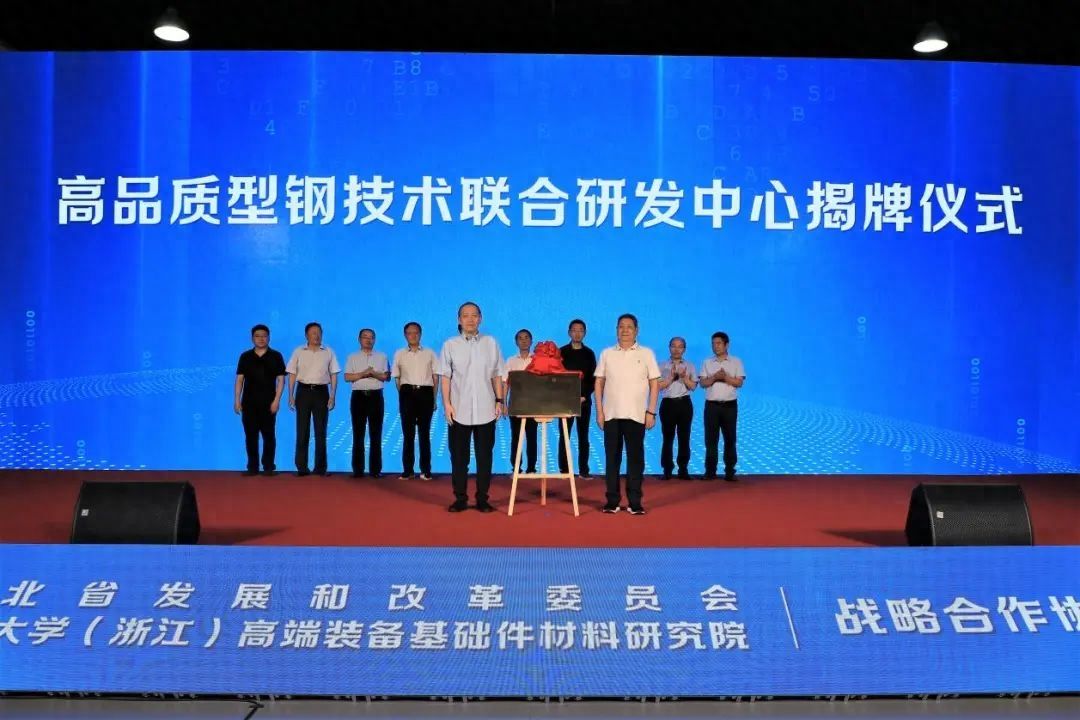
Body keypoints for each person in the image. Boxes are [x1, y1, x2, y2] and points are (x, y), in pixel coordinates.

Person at [439, 301, 504, 513]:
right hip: (459, 410)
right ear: (459, 320)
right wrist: (447, 404)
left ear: (480, 319)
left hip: (486, 409)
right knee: (459, 458)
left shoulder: (491, 343)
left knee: (485, 458)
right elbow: (445, 377)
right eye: (465, 315)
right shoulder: (450, 345)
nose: (470, 319)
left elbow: (497, 374)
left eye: (474, 315)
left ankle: (482, 498)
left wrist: (500, 401)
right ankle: (460, 498)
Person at [594, 313, 660, 515]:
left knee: (635, 460)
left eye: (629, 327)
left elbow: (654, 383)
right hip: (611, 415)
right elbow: (599, 382)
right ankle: (612, 501)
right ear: (616, 330)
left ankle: (635, 502)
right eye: (621, 326)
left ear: (636, 330)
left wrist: (651, 411)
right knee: (611, 460)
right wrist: (599, 412)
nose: (625, 330)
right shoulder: (607, 353)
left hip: (637, 415)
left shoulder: (646, 353)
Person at [286, 322, 340, 476]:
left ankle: (320, 468)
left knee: (320, 431)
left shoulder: (328, 351)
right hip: (303, 391)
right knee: (302, 430)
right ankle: (302, 467)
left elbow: (334, 374)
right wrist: (290, 395)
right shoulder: (298, 351)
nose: (317, 335)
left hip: (321, 392)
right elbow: (292, 374)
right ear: (306, 335)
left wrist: (332, 395)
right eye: (313, 332)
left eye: (319, 332)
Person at [233, 324, 286, 476]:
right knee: (251, 436)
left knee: (269, 435)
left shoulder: (276, 356)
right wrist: (237, 400)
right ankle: (252, 467)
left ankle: (268, 466)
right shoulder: (245, 356)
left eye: (264, 336)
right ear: (252, 338)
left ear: (269, 338)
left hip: (269, 402)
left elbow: (281, 380)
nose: (261, 339)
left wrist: (276, 400)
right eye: (257, 336)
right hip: (249, 402)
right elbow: (239, 380)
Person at [391, 321, 439, 481]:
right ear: (405, 335)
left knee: (424, 433)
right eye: (409, 333)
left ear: (420, 334)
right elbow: (397, 378)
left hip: (426, 393)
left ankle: (426, 470)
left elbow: (435, 378)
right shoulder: (399, 353)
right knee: (408, 434)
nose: (413, 335)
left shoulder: (430, 353)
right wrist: (404, 396)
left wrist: (434, 398)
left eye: (416, 332)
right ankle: (408, 470)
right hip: (407, 393)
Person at [700, 331, 746, 481]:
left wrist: (725, 377)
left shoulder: (736, 362)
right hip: (711, 406)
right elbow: (703, 383)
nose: (716, 346)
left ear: (727, 345)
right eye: (713, 344)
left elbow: (739, 382)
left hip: (729, 406)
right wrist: (714, 377)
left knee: (730, 439)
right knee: (710, 440)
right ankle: (710, 472)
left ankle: (730, 471)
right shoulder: (707, 362)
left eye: (719, 343)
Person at [344, 328, 389, 478]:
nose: (368, 340)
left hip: (376, 397)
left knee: (376, 434)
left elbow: (386, 377)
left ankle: (375, 470)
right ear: (359, 339)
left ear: (374, 340)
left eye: (371, 337)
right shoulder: (352, 357)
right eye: (365, 337)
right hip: (358, 397)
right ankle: (358, 470)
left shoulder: (382, 356)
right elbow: (347, 377)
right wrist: (364, 373)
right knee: (358, 434)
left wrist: (373, 373)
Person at [558, 319, 597, 478]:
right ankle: (565, 471)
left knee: (583, 435)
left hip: (584, 401)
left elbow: (593, 379)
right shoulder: (561, 352)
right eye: (574, 330)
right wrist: (567, 396)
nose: (577, 333)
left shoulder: (589, 353)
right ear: (569, 332)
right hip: (564, 401)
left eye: (581, 330)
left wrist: (584, 396)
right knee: (564, 436)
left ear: (585, 333)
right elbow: (556, 378)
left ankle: (584, 470)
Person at [658, 337, 698, 480]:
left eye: (680, 346)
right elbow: (658, 387)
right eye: (673, 346)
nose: (676, 349)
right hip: (668, 404)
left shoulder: (690, 366)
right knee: (667, 438)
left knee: (684, 437)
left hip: (684, 403)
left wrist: (684, 377)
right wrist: (671, 378)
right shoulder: (661, 366)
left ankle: (683, 469)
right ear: (669, 347)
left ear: (684, 349)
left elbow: (693, 386)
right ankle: (667, 470)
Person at [503, 328, 538, 475]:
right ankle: (516, 468)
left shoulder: (537, 360)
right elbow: (505, 383)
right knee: (516, 438)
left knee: (532, 437)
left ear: (531, 341)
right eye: (520, 338)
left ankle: (531, 469)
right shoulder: (511, 361)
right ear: (516, 342)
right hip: (516, 405)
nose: (524, 341)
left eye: (526, 338)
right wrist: (504, 404)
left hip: (534, 406)